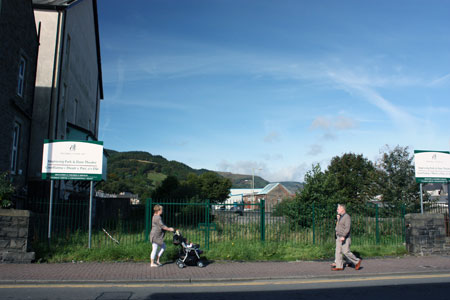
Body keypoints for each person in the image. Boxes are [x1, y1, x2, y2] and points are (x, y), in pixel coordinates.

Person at [332, 204, 362, 271]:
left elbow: (347, 228)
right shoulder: (340, 217)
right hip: (338, 237)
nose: (337, 210)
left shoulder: (347, 217)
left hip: (344, 237)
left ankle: (357, 261)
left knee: (345, 251)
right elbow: (338, 226)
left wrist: (343, 236)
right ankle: (339, 266)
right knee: (338, 252)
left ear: (342, 209)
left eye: (338, 209)